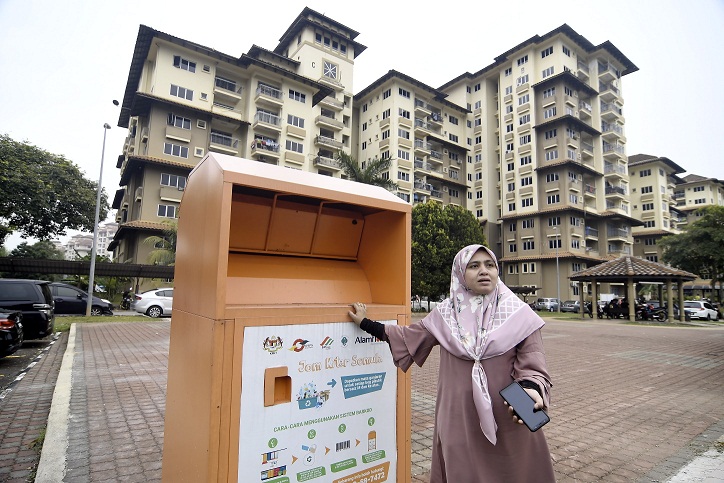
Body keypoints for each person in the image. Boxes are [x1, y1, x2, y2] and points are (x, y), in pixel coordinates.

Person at [348, 244, 554, 483]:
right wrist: (366, 323)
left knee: (513, 471)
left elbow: (533, 362)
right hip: (459, 418)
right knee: (462, 470)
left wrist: (531, 388)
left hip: (508, 416)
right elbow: (408, 337)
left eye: (490, 265)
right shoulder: (446, 315)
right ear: (460, 274)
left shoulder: (519, 314)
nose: (484, 271)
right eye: (474, 266)